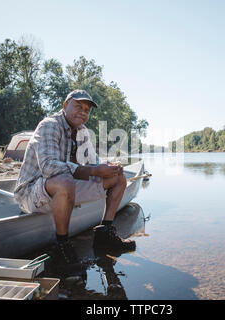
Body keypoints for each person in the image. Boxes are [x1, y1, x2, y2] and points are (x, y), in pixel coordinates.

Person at [14, 89, 135, 265]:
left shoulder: (82, 131)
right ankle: (62, 247)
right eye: (78, 106)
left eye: (87, 110)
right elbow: (49, 168)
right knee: (64, 181)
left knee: (118, 177)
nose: (83, 112)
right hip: (31, 193)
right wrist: (93, 171)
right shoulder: (49, 125)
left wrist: (107, 167)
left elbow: (92, 163)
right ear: (65, 105)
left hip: (64, 187)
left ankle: (104, 234)